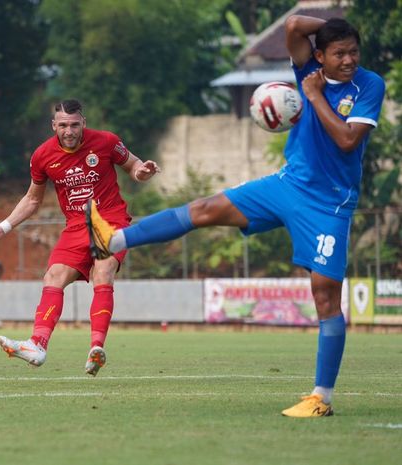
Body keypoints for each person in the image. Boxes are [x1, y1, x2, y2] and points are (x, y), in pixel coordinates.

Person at [87, 16, 384, 415]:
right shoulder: (308, 69)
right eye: (339, 52)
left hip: (328, 204)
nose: (349, 60)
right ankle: (115, 239)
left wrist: (313, 97)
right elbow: (294, 24)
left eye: (353, 52)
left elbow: (348, 141)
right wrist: (331, 24)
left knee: (325, 296)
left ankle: (321, 399)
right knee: (204, 208)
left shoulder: (369, 85)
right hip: (287, 185)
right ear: (320, 55)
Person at [0, 99, 160, 376]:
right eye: (63, 125)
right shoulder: (42, 156)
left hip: (110, 220)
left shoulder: (106, 142)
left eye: (74, 125)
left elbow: (134, 166)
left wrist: (142, 172)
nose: (69, 131)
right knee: (53, 276)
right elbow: (32, 200)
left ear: (83, 123)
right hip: (76, 226)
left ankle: (96, 348)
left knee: (103, 271)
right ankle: (37, 345)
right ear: (54, 125)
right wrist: (2, 227)